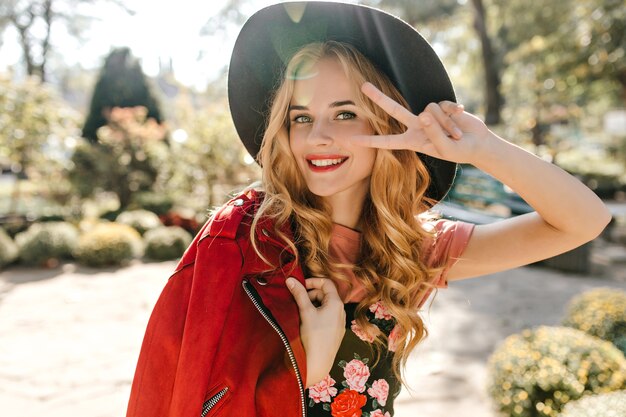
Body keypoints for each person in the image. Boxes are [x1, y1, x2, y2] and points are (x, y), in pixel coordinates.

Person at [126, 2, 611, 417]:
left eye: (344, 113)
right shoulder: (245, 239)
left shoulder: (413, 251)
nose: (318, 136)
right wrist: (309, 363)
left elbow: (584, 221)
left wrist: (482, 148)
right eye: (301, 117)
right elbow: (182, 393)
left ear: (387, 123)